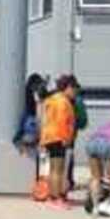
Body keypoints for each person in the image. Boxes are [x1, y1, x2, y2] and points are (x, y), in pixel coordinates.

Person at [39, 74, 78, 209]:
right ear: (67, 88)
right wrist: (66, 139)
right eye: (74, 89)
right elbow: (62, 121)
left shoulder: (52, 100)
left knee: (53, 169)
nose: (75, 92)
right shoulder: (63, 101)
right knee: (58, 169)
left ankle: (52, 197)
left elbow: (46, 120)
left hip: (50, 136)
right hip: (58, 137)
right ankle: (56, 198)